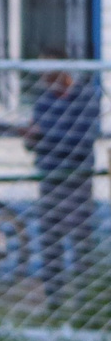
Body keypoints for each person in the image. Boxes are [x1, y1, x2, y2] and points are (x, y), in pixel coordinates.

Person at [23, 59, 102, 313]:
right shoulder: (43, 101)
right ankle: (54, 301)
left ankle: (85, 301)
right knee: (50, 239)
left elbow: (80, 140)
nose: (45, 79)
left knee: (80, 241)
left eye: (49, 72)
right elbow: (32, 143)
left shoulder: (85, 98)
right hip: (49, 178)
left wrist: (44, 134)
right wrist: (35, 137)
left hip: (77, 179)